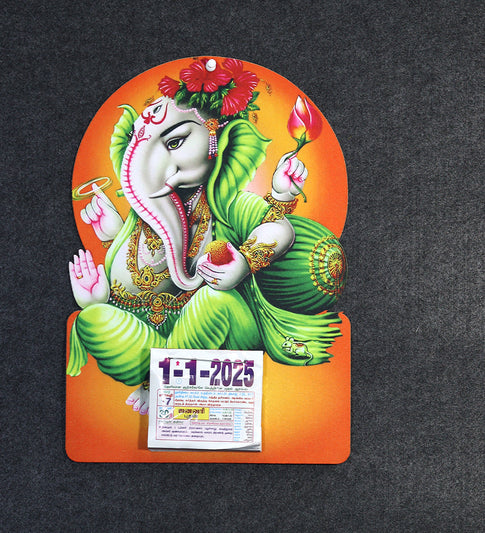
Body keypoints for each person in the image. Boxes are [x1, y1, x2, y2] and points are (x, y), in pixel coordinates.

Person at [67, 58, 346, 414]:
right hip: (159, 336)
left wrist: (244, 263)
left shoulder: (224, 203)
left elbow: (279, 229)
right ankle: (157, 371)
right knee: (92, 319)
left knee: (214, 300)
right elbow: (143, 277)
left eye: (175, 142)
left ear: (220, 142)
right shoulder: (148, 208)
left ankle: (162, 384)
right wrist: (107, 268)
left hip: (219, 337)